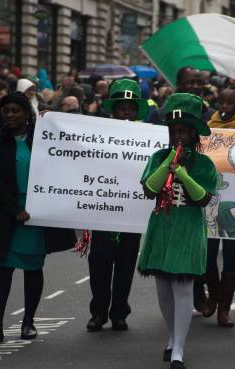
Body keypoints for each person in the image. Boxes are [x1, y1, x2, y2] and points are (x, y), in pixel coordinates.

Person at [0, 92, 75, 343]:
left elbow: (67, 156)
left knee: (33, 267)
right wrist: (14, 209)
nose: (9, 115)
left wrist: (51, 121)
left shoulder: (43, 137)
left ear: (26, 113)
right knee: (3, 268)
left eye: (15, 111)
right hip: (7, 213)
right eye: (5, 110)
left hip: (37, 212)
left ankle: (28, 322)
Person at [138, 93, 218, 369]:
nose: (178, 135)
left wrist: (183, 174)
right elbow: (149, 188)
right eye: (173, 130)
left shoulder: (204, 164)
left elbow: (204, 199)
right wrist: (169, 162)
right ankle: (172, 336)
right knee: (163, 290)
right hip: (161, 226)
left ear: (194, 132)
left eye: (183, 130)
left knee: (182, 288)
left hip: (188, 228)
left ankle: (179, 349)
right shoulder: (159, 156)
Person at [85, 79, 149, 332]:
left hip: (131, 215)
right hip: (102, 212)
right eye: (121, 107)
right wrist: (45, 120)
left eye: (130, 108)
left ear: (136, 111)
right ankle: (98, 312)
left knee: (125, 266)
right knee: (99, 264)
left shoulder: (147, 136)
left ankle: (119, 312)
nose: (125, 113)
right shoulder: (97, 133)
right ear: (113, 110)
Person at [202, 86, 235, 327]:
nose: (226, 108)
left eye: (231, 103)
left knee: (230, 257)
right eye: (222, 103)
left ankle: (224, 309)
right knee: (208, 255)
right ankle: (212, 296)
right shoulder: (209, 126)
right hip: (211, 198)